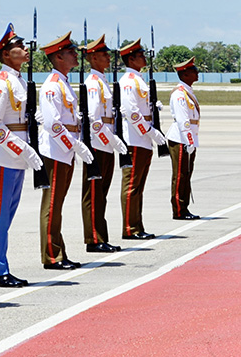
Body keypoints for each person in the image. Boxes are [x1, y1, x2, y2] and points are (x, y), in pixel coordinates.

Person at [0, 23, 43, 287]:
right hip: (4, 156)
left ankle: (0, 265)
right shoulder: (1, 83)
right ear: (6, 54)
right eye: (19, 46)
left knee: (7, 215)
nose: (25, 49)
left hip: (17, 155)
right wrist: (23, 149)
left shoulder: (19, 80)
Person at [38, 32, 94, 270]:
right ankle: (52, 255)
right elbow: (53, 124)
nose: (75, 55)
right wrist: (74, 144)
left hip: (65, 149)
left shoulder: (63, 82)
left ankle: (58, 251)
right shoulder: (52, 86)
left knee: (57, 204)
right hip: (57, 150)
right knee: (51, 205)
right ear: (58, 56)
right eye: (70, 52)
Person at [82, 34, 127, 253]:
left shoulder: (102, 81)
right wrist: (109, 140)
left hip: (106, 142)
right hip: (98, 143)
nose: (108, 58)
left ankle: (101, 235)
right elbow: (93, 119)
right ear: (92, 58)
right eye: (103, 55)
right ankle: (94, 238)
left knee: (102, 193)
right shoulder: (93, 84)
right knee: (93, 193)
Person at [118, 38, 167, 240]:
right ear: (131, 58)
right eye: (140, 55)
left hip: (143, 138)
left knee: (139, 186)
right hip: (135, 138)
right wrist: (150, 131)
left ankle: (137, 225)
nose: (144, 58)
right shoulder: (129, 81)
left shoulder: (138, 79)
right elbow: (132, 112)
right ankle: (130, 228)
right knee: (132, 186)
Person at [166, 56, 201, 220]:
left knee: (186, 173)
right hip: (180, 139)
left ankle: (184, 207)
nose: (197, 73)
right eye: (193, 70)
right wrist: (189, 141)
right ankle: (179, 209)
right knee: (180, 174)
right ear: (185, 74)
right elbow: (183, 120)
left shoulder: (187, 91)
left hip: (187, 139)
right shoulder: (180, 94)